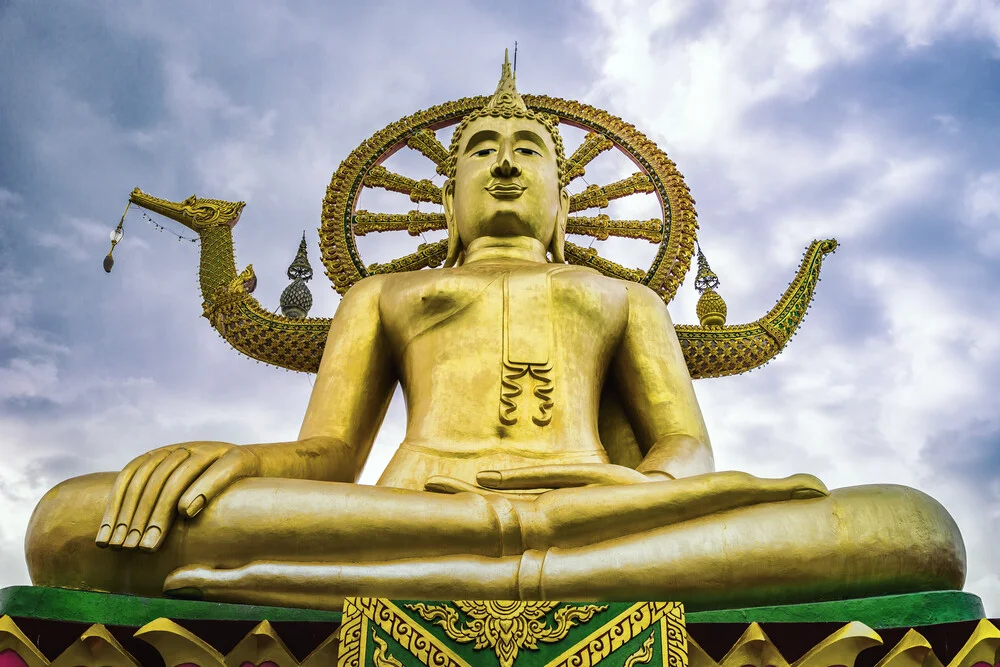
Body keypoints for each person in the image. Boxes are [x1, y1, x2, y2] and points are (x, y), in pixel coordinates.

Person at [25, 55, 965, 612]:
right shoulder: (388, 295)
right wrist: (231, 461)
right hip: (423, 506)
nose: (506, 163)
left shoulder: (622, 298)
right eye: (483, 149)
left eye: (529, 152)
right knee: (73, 519)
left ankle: (519, 549)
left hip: (604, 506)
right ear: (448, 194)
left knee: (915, 528)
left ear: (564, 199)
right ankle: (536, 555)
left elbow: (683, 448)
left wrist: (625, 488)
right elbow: (328, 453)